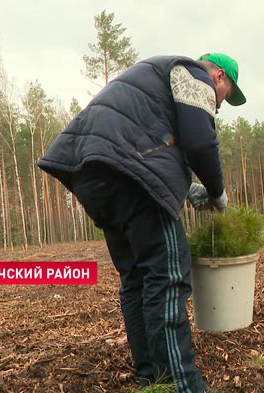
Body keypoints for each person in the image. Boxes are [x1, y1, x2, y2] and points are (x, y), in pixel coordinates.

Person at [38, 52, 246, 392]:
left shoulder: (156, 79)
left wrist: (186, 186)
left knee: (136, 278)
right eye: (225, 97)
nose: (219, 106)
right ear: (220, 77)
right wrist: (216, 191)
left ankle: (153, 380)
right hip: (128, 175)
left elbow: (143, 139)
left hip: (92, 172)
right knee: (168, 274)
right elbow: (199, 143)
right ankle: (181, 385)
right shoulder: (194, 75)